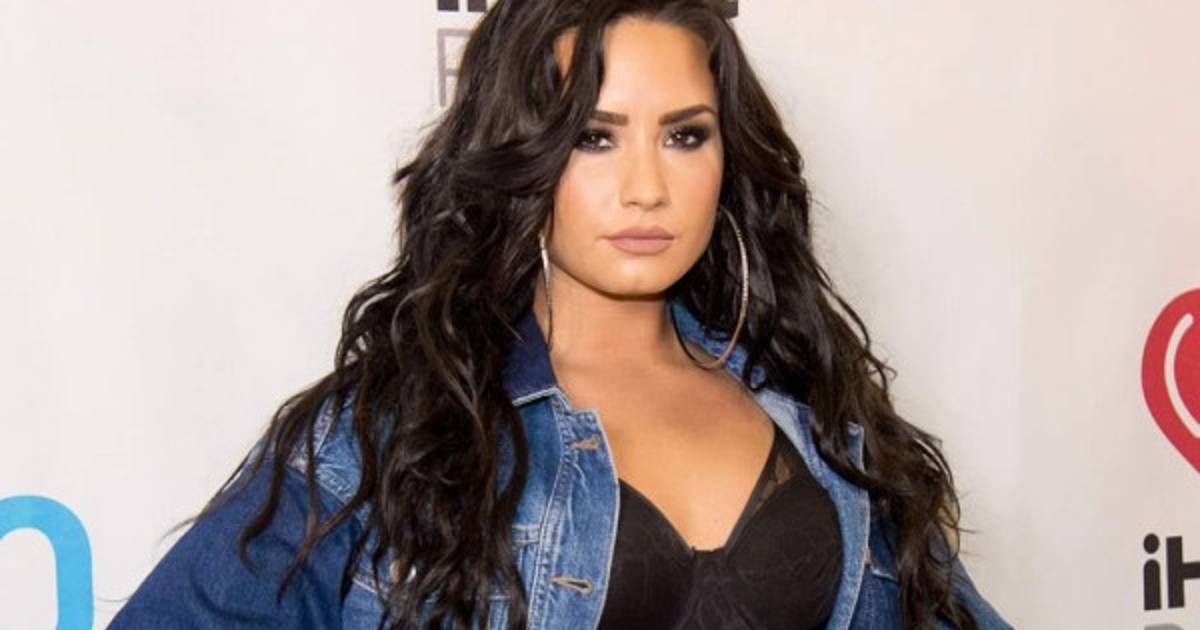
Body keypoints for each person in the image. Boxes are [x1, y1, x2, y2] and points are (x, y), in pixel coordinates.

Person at [110, 0, 1013, 628]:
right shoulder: (400, 428)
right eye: (595, 137)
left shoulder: (820, 422)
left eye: (685, 135)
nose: (647, 186)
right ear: (523, 151)